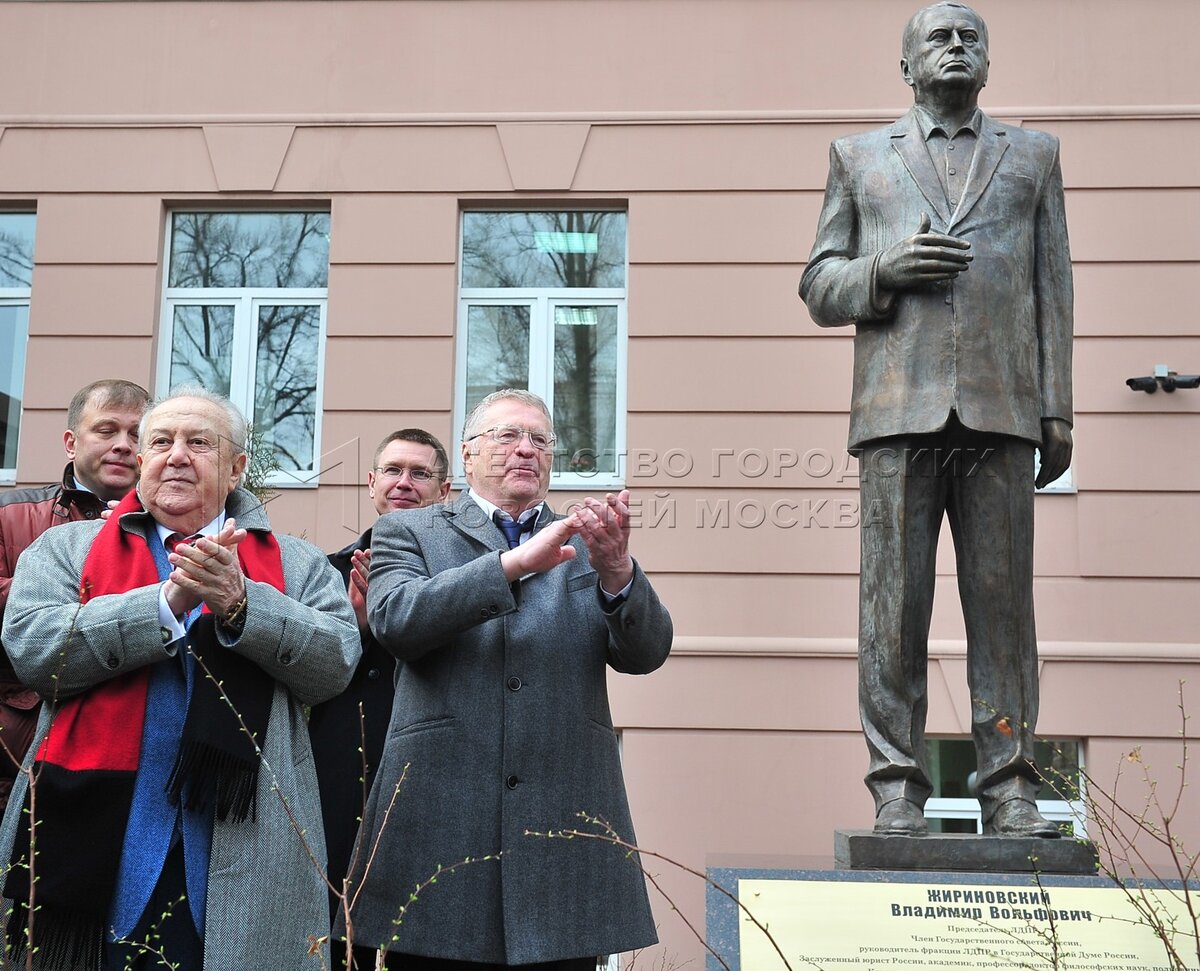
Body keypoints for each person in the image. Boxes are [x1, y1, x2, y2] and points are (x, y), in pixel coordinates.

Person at [799, 2, 1073, 838]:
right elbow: (818, 285)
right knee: (893, 611)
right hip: (896, 415)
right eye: (938, 39)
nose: (956, 47)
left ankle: (1011, 787)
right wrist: (885, 268)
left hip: (1001, 412)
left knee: (1004, 611)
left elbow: (1052, 288)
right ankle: (897, 786)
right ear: (907, 65)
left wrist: (1055, 407)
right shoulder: (857, 158)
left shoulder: (1034, 156)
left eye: (970, 38)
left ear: (987, 62)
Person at [0, 386, 360, 970]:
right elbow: (37, 653)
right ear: (140, 461)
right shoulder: (66, 549)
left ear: (237, 467)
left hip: (245, 838)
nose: (177, 455)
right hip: (92, 836)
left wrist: (244, 605)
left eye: (200, 442)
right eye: (161, 442)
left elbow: (336, 665)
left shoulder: (296, 562)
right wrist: (166, 604)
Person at [342, 389, 672, 969]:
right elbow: (396, 621)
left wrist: (619, 572)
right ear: (467, 456)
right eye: (507, 436)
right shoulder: (413, 531)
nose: (526, 449)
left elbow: (645, 653)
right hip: (440, 814)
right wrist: (513, 565)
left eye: (539, 440)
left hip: (565, 816)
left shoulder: (587, 540)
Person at [308, 428, 450, 969]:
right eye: (393, 471)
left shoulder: (462, 576)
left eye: (420, 474)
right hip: (337, 778)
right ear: (371, 482)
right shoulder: (325, 570)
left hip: (426, 776)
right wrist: (357, 628)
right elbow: (299, 681)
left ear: (444, 491)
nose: (404, 484)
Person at [0, 378, 150, 811]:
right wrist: (64, 588)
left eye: (137, 434)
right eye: (106, 430)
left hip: (125, 755)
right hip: (16, 748)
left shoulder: (174, 532)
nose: (123, 445)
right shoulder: (12, 516)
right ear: (71, 442)